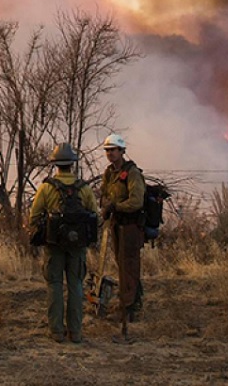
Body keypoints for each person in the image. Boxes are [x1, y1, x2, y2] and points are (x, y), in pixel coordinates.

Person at [29, 143, 99, 344]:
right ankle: (75, 332)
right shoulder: (84, 188)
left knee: (55, 285)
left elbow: (34, 216)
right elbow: (94, 215)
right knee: (76, 285)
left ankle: (56, 331)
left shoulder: (46, 187)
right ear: (72, 164)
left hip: (54, 245)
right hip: (77, 247)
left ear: (55, 164)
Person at [99, 133, 146, 324]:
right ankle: (134, 302)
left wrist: (116, 207)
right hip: (117, 225)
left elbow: (136, 201)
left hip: (130, 226)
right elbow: (103, 193)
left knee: (129, 266)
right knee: (123, 265)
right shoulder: (110, 173)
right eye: (107, 151)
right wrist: (106, 206)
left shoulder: (132, 173)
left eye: (113, 150)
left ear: (121, 151)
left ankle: (127, 309)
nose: (110, 154)